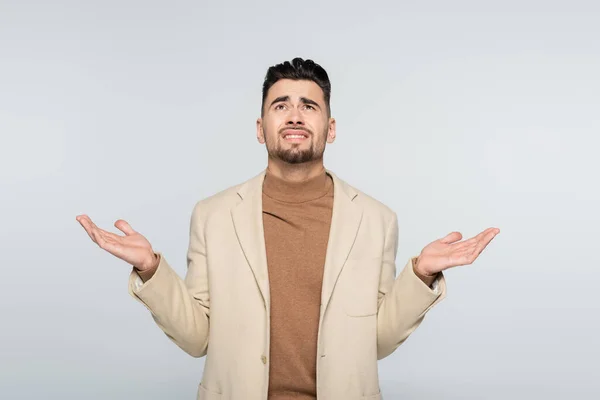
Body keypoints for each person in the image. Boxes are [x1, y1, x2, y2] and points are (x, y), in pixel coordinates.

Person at [76, 58, 499, 400]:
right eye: (280, 105)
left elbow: (377, 343)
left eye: (309, 105)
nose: (295, 115)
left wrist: (420, 275)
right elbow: (197, 337)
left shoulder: (376, 219)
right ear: (261, 129)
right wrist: (151, 270)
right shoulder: (213, 215)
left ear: (330, 130)